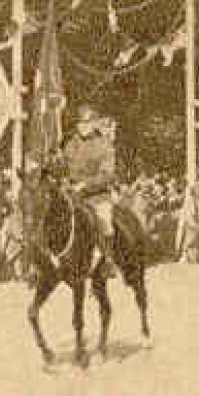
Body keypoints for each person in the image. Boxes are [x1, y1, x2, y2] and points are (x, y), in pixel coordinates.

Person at [61, 103, 118, 273]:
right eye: (80, 123)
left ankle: (107, 260)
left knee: (105, 220)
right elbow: (64, 167)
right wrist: (63, 180)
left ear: (94, 123)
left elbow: (107, 174)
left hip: (97, 196)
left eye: (87, 123)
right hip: (72, 194)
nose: (83, 127)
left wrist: (85, 185)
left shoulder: (104, 145)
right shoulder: (70, 144)